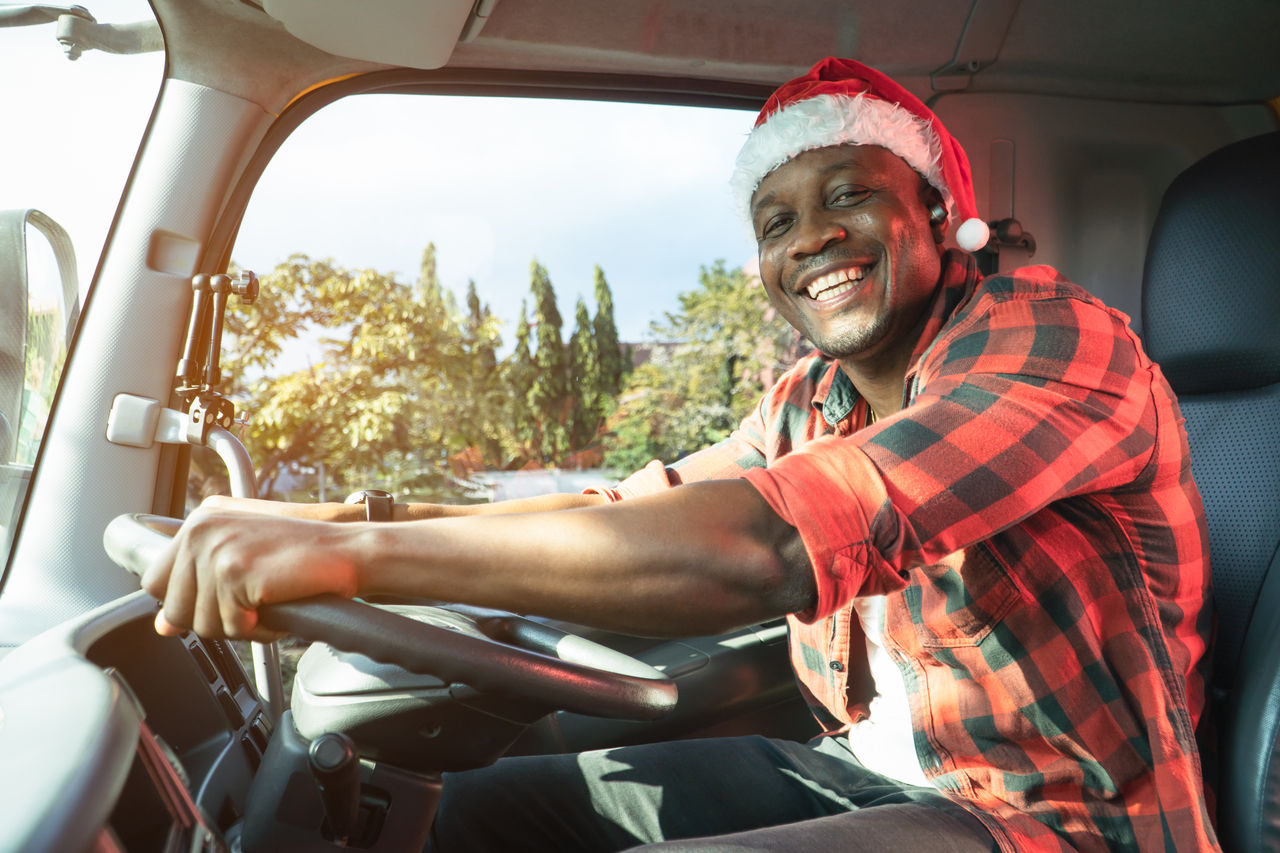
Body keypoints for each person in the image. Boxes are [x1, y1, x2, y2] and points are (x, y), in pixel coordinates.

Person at [144, 58, 1218, 851]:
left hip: (1060, 819)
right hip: (873, 772)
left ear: (936, 213)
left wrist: (345, 569)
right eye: (775, 220)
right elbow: (622, 507)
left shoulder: (1051, 342)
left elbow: (762, 547)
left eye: (847, 193)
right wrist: (340, 527)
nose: (808, 238)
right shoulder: (811, 396)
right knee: (471, 821)